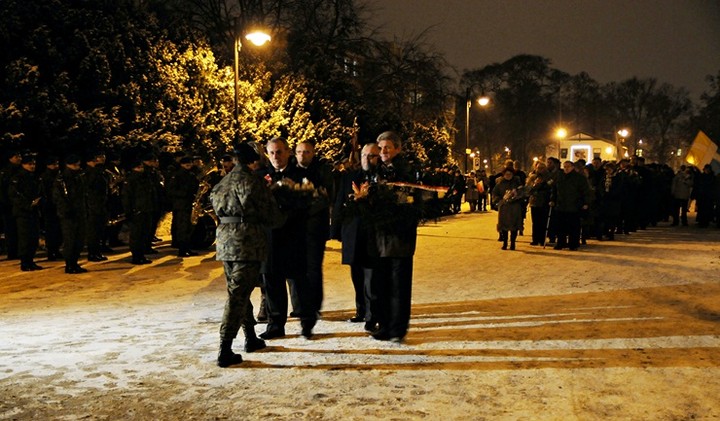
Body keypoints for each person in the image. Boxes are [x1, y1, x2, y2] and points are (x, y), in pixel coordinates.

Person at [210, 142, 285, 368]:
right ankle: (225, 348)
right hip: (247, 243)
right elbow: (272, 217)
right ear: (253, 160)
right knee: (237, 295)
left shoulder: (222, 183)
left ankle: (250, 337)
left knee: (238, 291)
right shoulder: (253, 182)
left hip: (225, 243)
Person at [259, 137, 312, 339]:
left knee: (299, 280)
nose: (275, 157)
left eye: (279, 152)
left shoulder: (300, 176)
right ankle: (275, 323)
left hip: (294, 236)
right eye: (271, 153)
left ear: (288, 152)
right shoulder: (261, 176)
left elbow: (308, 203)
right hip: (270, 238)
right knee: (272, 281)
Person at [371, 131, 418, 342]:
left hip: (400, 237)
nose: (383, 152)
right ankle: (384, 324)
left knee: (398, 284)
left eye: (387, 147)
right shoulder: (376, 171)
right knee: (381, 283)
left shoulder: (406, 171)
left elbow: (410, 203)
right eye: (380, 148)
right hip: (380, 237)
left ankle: (397, 327)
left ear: (398, 149)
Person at [331, 143, 381, 330]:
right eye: (364, 155)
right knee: (357, 276)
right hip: (352, 234)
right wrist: (335, 230)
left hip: (372, 234)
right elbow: (339, 203)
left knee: (371, 278)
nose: (367, 159)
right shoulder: (349, 178)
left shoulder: (380, 179)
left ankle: (372, 315)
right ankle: (361, 311)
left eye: (372, 156)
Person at [294, 140, 333, 321]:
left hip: (315, 229)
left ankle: (314, 305)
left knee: (314, 268)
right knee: (297, 268)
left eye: (307, 152)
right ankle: (300, 304)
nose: (303, 155)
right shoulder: (292, 172)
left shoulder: (322, 172)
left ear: (313, 153)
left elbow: (325, 198)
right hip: (296, 229)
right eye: (300, 152)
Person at [54, 154, 89, 273]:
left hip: (79, 211)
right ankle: (69, 264)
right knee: (70, 240)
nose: (79, 167)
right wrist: (67, 211)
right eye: (77, 164)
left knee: (79, 240)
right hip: (69, 214)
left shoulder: (78, 176)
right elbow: (61, 197)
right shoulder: (63, 178)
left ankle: (74, 263)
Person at [9, 153, 44, 271]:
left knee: (34, 238)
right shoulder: (17, 177)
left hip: (33, 211)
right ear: (23, 165)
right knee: (25, 238)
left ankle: (31, 260)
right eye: (30, 164)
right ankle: (25, 262)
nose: (32, 166)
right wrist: (28, 204)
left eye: (34, 164)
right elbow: (14, 195)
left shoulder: (34, 177)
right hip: (23, 212)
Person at [122, 159, 157, 264]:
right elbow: (127, 197)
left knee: (144, 233)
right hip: (137, 210)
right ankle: (136, 256)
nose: (141, 169)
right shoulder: (131, 180)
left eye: (141, 167)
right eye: (138, 167)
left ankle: (141, 254)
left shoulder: (146, 178)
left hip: (147, 209)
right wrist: (130, 211)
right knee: (137, 235)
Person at [550, 160, 591, 250]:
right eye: (565, 167)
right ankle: (561, 242)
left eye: (568, 167)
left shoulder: (579, 178)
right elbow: (554, 190)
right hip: (561, 205)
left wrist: (585, 202)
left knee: (574, 227)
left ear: (572, 167)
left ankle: (573, 244)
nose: (566, 169)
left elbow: (585, 191)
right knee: (561, 227)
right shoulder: (559, 177)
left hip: (574, 206)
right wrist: (553, 199)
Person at [167, 156, 200, 257]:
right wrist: (185, 193)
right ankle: (182, 249)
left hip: (188, 203)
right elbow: (171, 190)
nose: (189, 165)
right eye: (187, 164)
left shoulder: (191, 175)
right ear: (182, 164)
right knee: (182, 227)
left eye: (190, 163)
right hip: (181, 204)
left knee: (188, 227)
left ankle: (187, 248)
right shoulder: (177, 175)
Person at [84, 151, 109, 262]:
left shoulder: (98, 172)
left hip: (99, 204)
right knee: (93, 231)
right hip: (93, 205)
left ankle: (97, 252)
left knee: (99, 230)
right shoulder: (89, 173)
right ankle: (93, 253)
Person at [492, 168, 524, 250]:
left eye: (510, 174)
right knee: (504, 225)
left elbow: (522, 192)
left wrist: (516, 195)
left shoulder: (517, 183)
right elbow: (495, 193)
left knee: (514, 225)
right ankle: (505, 242)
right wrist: (499, 199)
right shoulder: (500, 183)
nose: (508, 176)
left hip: (515, 207)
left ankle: (513, 242)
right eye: (506, 174)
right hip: (504, 207)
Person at [39, 156, 63, 261]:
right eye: (54, 164)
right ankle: (51, 251)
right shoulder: (45, 177)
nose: (56, 166)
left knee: (58, 230)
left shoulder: (58, 175)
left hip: (58, 206)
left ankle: (56, 250)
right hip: (49, 207)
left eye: (57, 164)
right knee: (51, 230)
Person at [0, 150, 22, 260]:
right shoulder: (6, 172)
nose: (19, 158)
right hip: (9, 206)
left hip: (17, 205)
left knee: (19, 229)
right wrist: (6, 203)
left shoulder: (20, 170)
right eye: (16, 156)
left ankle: (18, 250)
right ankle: (13, 251)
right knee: (11, 229)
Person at [526, 164, 551, 246]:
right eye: (538, 168)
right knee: (535, 222)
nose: (540, 170)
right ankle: (535, 239)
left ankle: (542, 238)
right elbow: (528, 189)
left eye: (542, 168)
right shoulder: (533, 178)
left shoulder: (547, 178)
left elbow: (549, 189)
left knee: (543, 222)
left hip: (544, 202)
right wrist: (535, 185)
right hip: (535, 202)